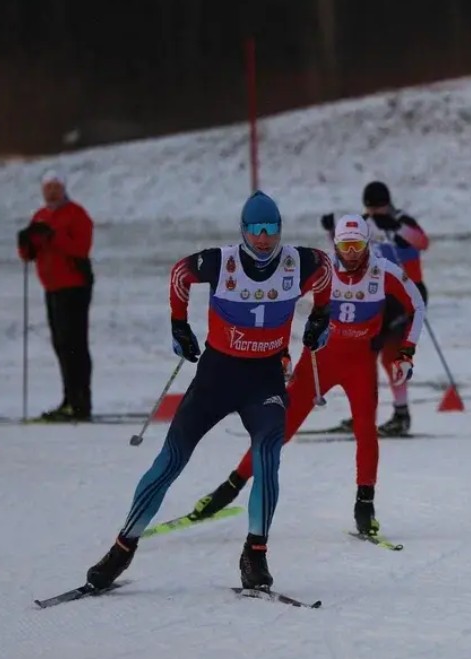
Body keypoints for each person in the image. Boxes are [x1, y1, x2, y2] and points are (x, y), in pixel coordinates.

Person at [85, 190, 332, 592]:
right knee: (170, 460)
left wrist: (323, 316)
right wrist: (178, 324)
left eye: (271, 230)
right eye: (256, 231)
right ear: (244, 231)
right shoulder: (223, 261)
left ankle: (255, 554)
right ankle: (121, 548)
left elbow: (325, 269)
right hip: (217, 375)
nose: (264, 239)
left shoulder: (298, 261)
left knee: (268, 457)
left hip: (265, 378)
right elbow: (181, 273)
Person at [189, 214, 425, 536]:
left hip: (360, 365)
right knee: (280, 429)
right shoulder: (320, 269)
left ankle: (364, 505)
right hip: (318, 362)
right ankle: (229, 488)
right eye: (345, 246)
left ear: (367, 244)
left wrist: (406, 352)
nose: (352, 253)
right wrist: (281, 351)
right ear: (336, 245)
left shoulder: (384, 271)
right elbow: (280, 307)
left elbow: (417, 305)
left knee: (366, 430)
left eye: (357, 245)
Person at [320, 181, 430, 436]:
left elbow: (422, 243)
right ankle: (364, 412)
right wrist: (330, 232)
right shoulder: (364, 223)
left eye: (379, 208)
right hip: (376, 296)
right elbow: (345, 253)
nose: (376, 214)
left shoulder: (401, 220)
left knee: (391, 354)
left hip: (405, 296)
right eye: (371, 209)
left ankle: (400, 415)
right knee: (363, 354)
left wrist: (397, 228)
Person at [17, 169, 95, 422]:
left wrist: (55, 236)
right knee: (61, 345)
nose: (51, 192)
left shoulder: (76, 214)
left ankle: (80, 402)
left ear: (63, 189)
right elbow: (30, 255)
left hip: (74, 286)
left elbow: (80, 248)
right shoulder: (40, 216)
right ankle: (68, 399)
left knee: (74, 345)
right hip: (51, 288)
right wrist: (25, 243)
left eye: (56, 187)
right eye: (47, 187)